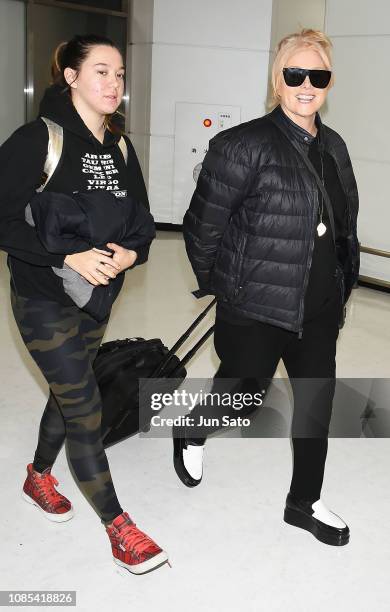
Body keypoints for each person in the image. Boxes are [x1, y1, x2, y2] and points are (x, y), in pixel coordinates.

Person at [174, 29, 359, 547]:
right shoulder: (241, 145)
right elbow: (202, 228)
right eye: (294, 74)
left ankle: (304, 501)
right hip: (255, 306)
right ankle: (191, 428)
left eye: (316, 76)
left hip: (318, 308)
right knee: (242, 398)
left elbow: (344, 224)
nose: (306, 85)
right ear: (277, 81)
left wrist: (340, 285)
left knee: (314, 404)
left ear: (328, 82)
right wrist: (226, 288)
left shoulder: (335, 146)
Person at [0, 34, 168, 574]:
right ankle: (120, 528)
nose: (113, 84)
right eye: (101, 72)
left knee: (72, 393)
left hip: (97, 299)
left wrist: (127, 257)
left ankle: (37, 475)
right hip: (43, 296)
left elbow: (142, 224)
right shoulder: (36, 141)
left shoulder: (121, 148)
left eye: (119, 74)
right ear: (70, 77)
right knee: (85, 406)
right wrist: (68, 256)